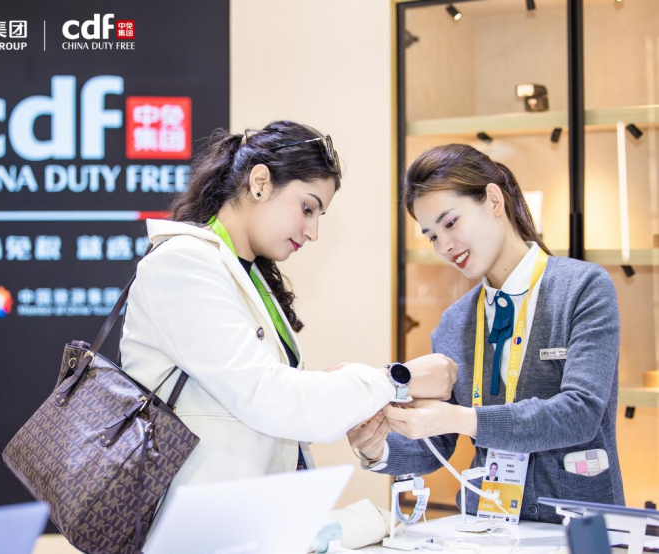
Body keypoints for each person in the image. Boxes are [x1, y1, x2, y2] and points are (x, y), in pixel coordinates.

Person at [119, 121, 457, 504]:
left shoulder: (246, 275)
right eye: (307, 208)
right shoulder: (184, 263)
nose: (313, 232)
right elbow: (268, 397)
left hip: (243, 512)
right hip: (198, 517)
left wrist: (333, 389)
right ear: (260, 183)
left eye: (319, 216)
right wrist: (397, 380)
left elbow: (270, 395)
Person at [348, 143, 624, 523]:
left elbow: (580, 413)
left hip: (578, 527)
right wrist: (377, 449)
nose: (444, 247)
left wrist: (460, 418)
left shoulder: (583, 289)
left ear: (494, 200)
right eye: (432, 236)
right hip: (485, 527)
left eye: (450, 223)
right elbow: (435, 445)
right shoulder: (454, 322)